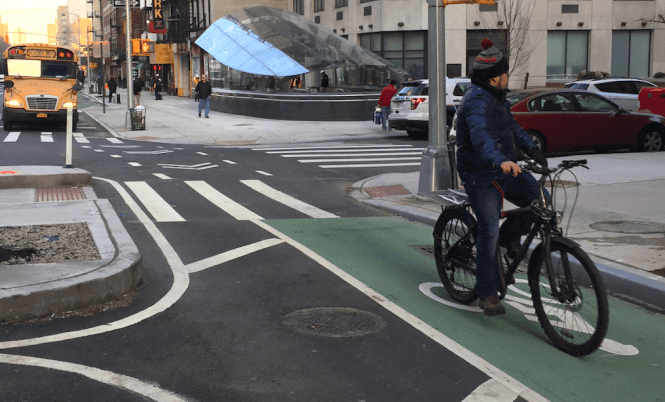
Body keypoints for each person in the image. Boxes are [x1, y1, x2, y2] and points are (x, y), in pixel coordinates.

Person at [455, 38, 548, 316]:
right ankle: (487, 292)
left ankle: (510, 237)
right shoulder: (476, 102)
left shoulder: (498, 99)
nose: (509, 77)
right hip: (480, 174)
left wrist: (532, 148)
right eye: (506, 72)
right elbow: (481, 137)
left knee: (540, 200)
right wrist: (501, 160)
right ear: (496, 76)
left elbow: (512, 127)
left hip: (505, 168)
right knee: (488, 229)